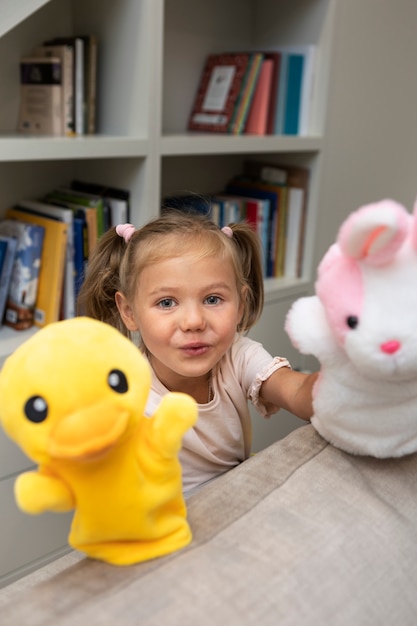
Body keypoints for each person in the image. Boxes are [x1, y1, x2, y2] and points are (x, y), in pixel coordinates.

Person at [77, 210, 318, 495]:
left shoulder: (238, 356)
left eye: (212, 299)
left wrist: (347, 386)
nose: (194, 322)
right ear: (129, 312)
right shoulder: (124, 391)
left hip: (231, 503)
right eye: (167, 303)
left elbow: (297, 391)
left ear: (241, 304)